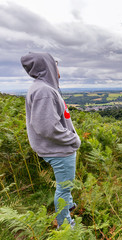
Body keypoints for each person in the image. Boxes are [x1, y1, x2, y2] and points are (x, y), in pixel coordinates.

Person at [20, 52, 81, 228]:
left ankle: (68, 207)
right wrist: (73, 140)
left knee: (65, 185)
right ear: (47, 66)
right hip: (59, 149)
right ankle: (65, 226)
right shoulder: (44, 91)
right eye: (55, 64)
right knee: (64, 188)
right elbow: (47, 127)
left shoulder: (43, 88)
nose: (58, 68)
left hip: (57, 148)